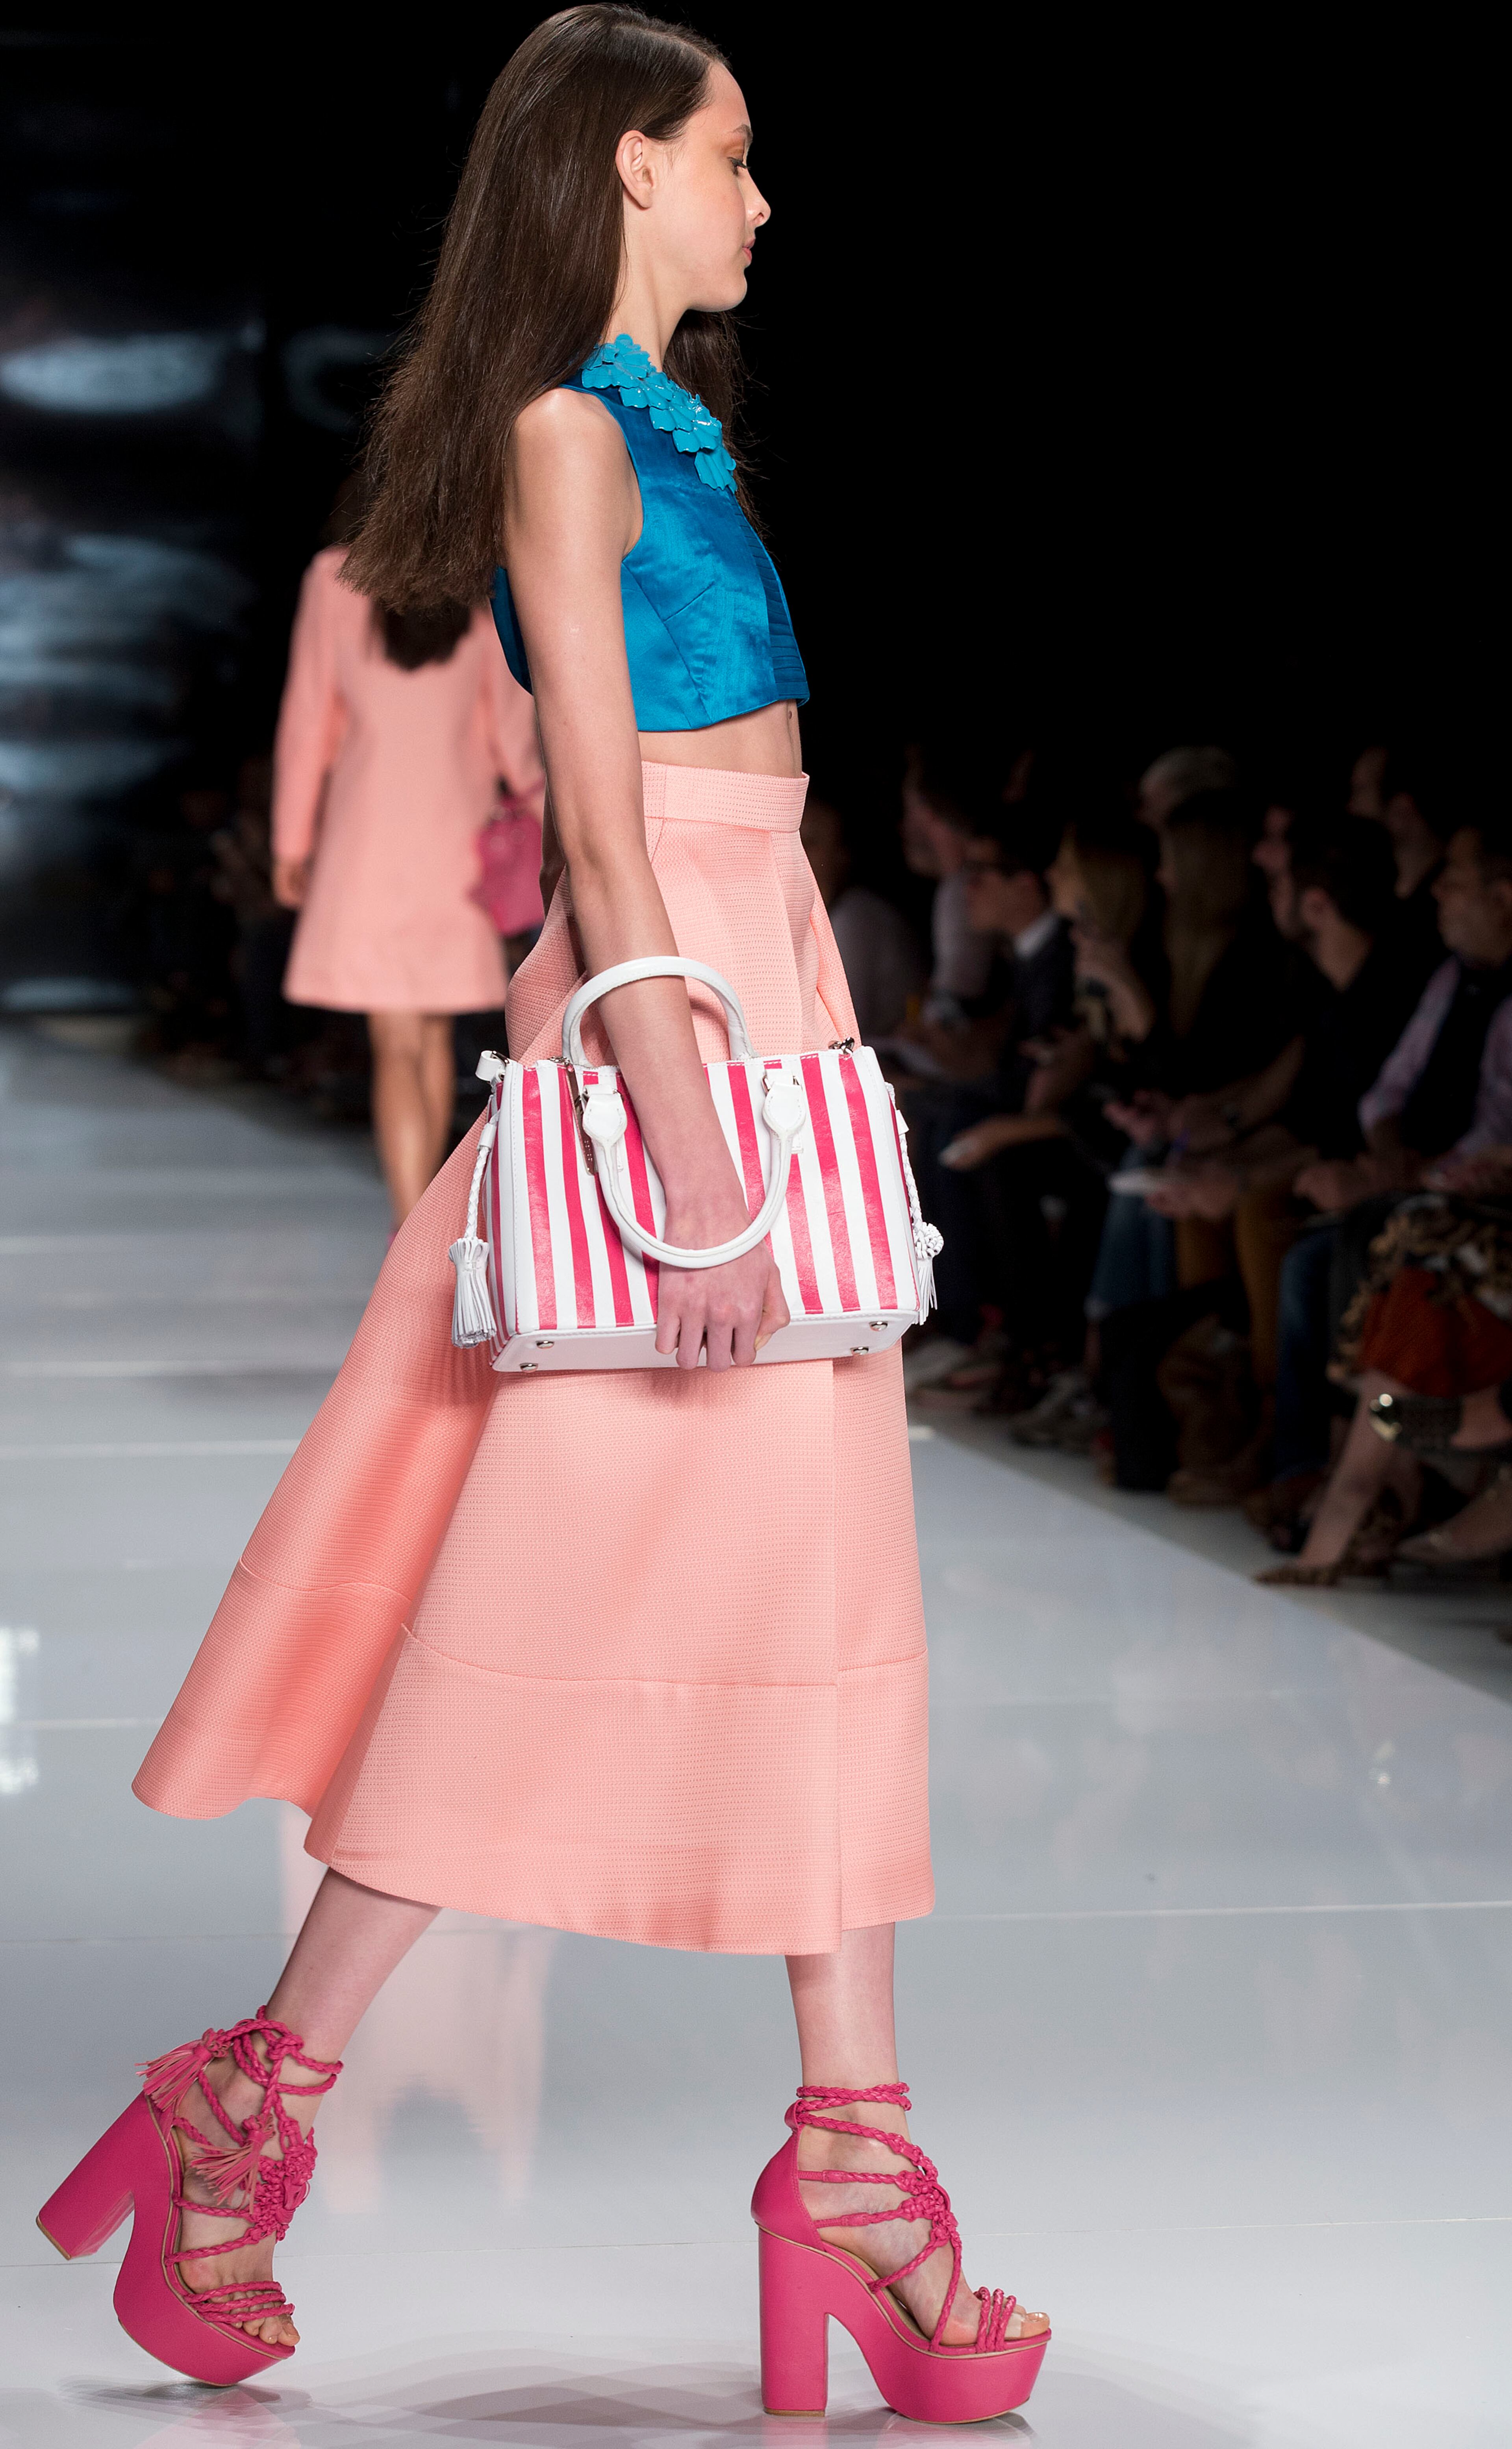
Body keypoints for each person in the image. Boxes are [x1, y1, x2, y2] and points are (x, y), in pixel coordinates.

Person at [40, 9, 1048, 2420]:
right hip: (677, 1050)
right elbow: (598, 821)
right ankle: (253, 2101)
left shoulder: (648, 431)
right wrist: (695, 1146)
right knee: (531, 1608)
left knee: (821, 1608)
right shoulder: (563, 436)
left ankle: (857, 2158)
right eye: (731, 157)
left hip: (754, 1010)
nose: (761, 202)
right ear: (620, 161)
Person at [271, 551, 543, 1224]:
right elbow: (510, 726)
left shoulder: (336, 578)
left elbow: (311, 718)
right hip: (456, 835)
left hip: (368, 836)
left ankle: (408, 1225)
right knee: (427, 1035)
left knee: (398, 1040)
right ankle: (420, 1222)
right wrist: (548, 817)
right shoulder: (475, 581)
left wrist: (291, 840)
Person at [799, 791, 924, 1041]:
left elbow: (846, 1029)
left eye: (812, 841)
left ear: (843, 854)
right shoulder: (840, 913)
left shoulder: (857, 918)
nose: (799, 852)